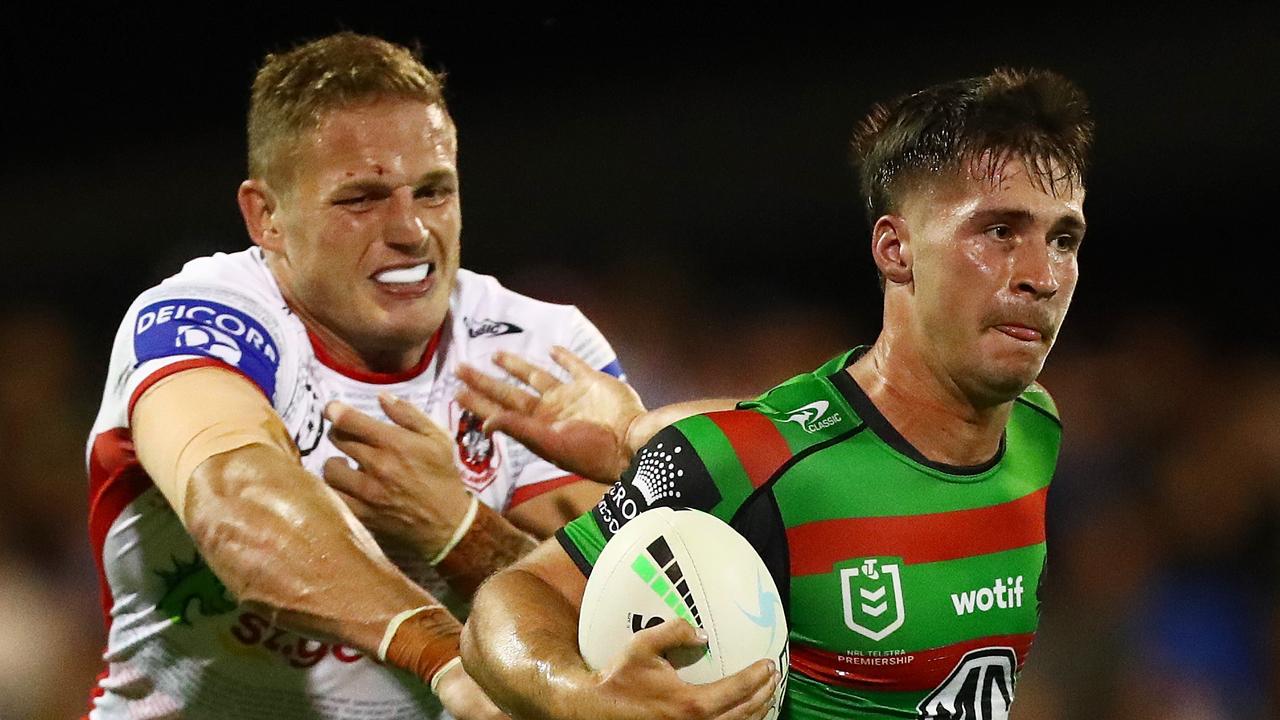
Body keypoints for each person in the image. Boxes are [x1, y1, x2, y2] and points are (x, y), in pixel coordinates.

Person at [456, 68, 1092, 719]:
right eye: (998, 232)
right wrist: (579, 695)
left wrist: (635, 434)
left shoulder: (1034, 430)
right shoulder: (755, 463)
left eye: (1063, 239)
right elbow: (512, 603)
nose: (1041, 276)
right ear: (896, 249)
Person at [84, 32, 626, 719]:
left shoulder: (541, 348)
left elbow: (621, 617)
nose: (411, 230)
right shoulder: (201, 320)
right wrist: (442, 656)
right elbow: (239, 509)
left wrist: (461, 532)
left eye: (433, 191)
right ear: (267, 216)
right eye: (362, 199)